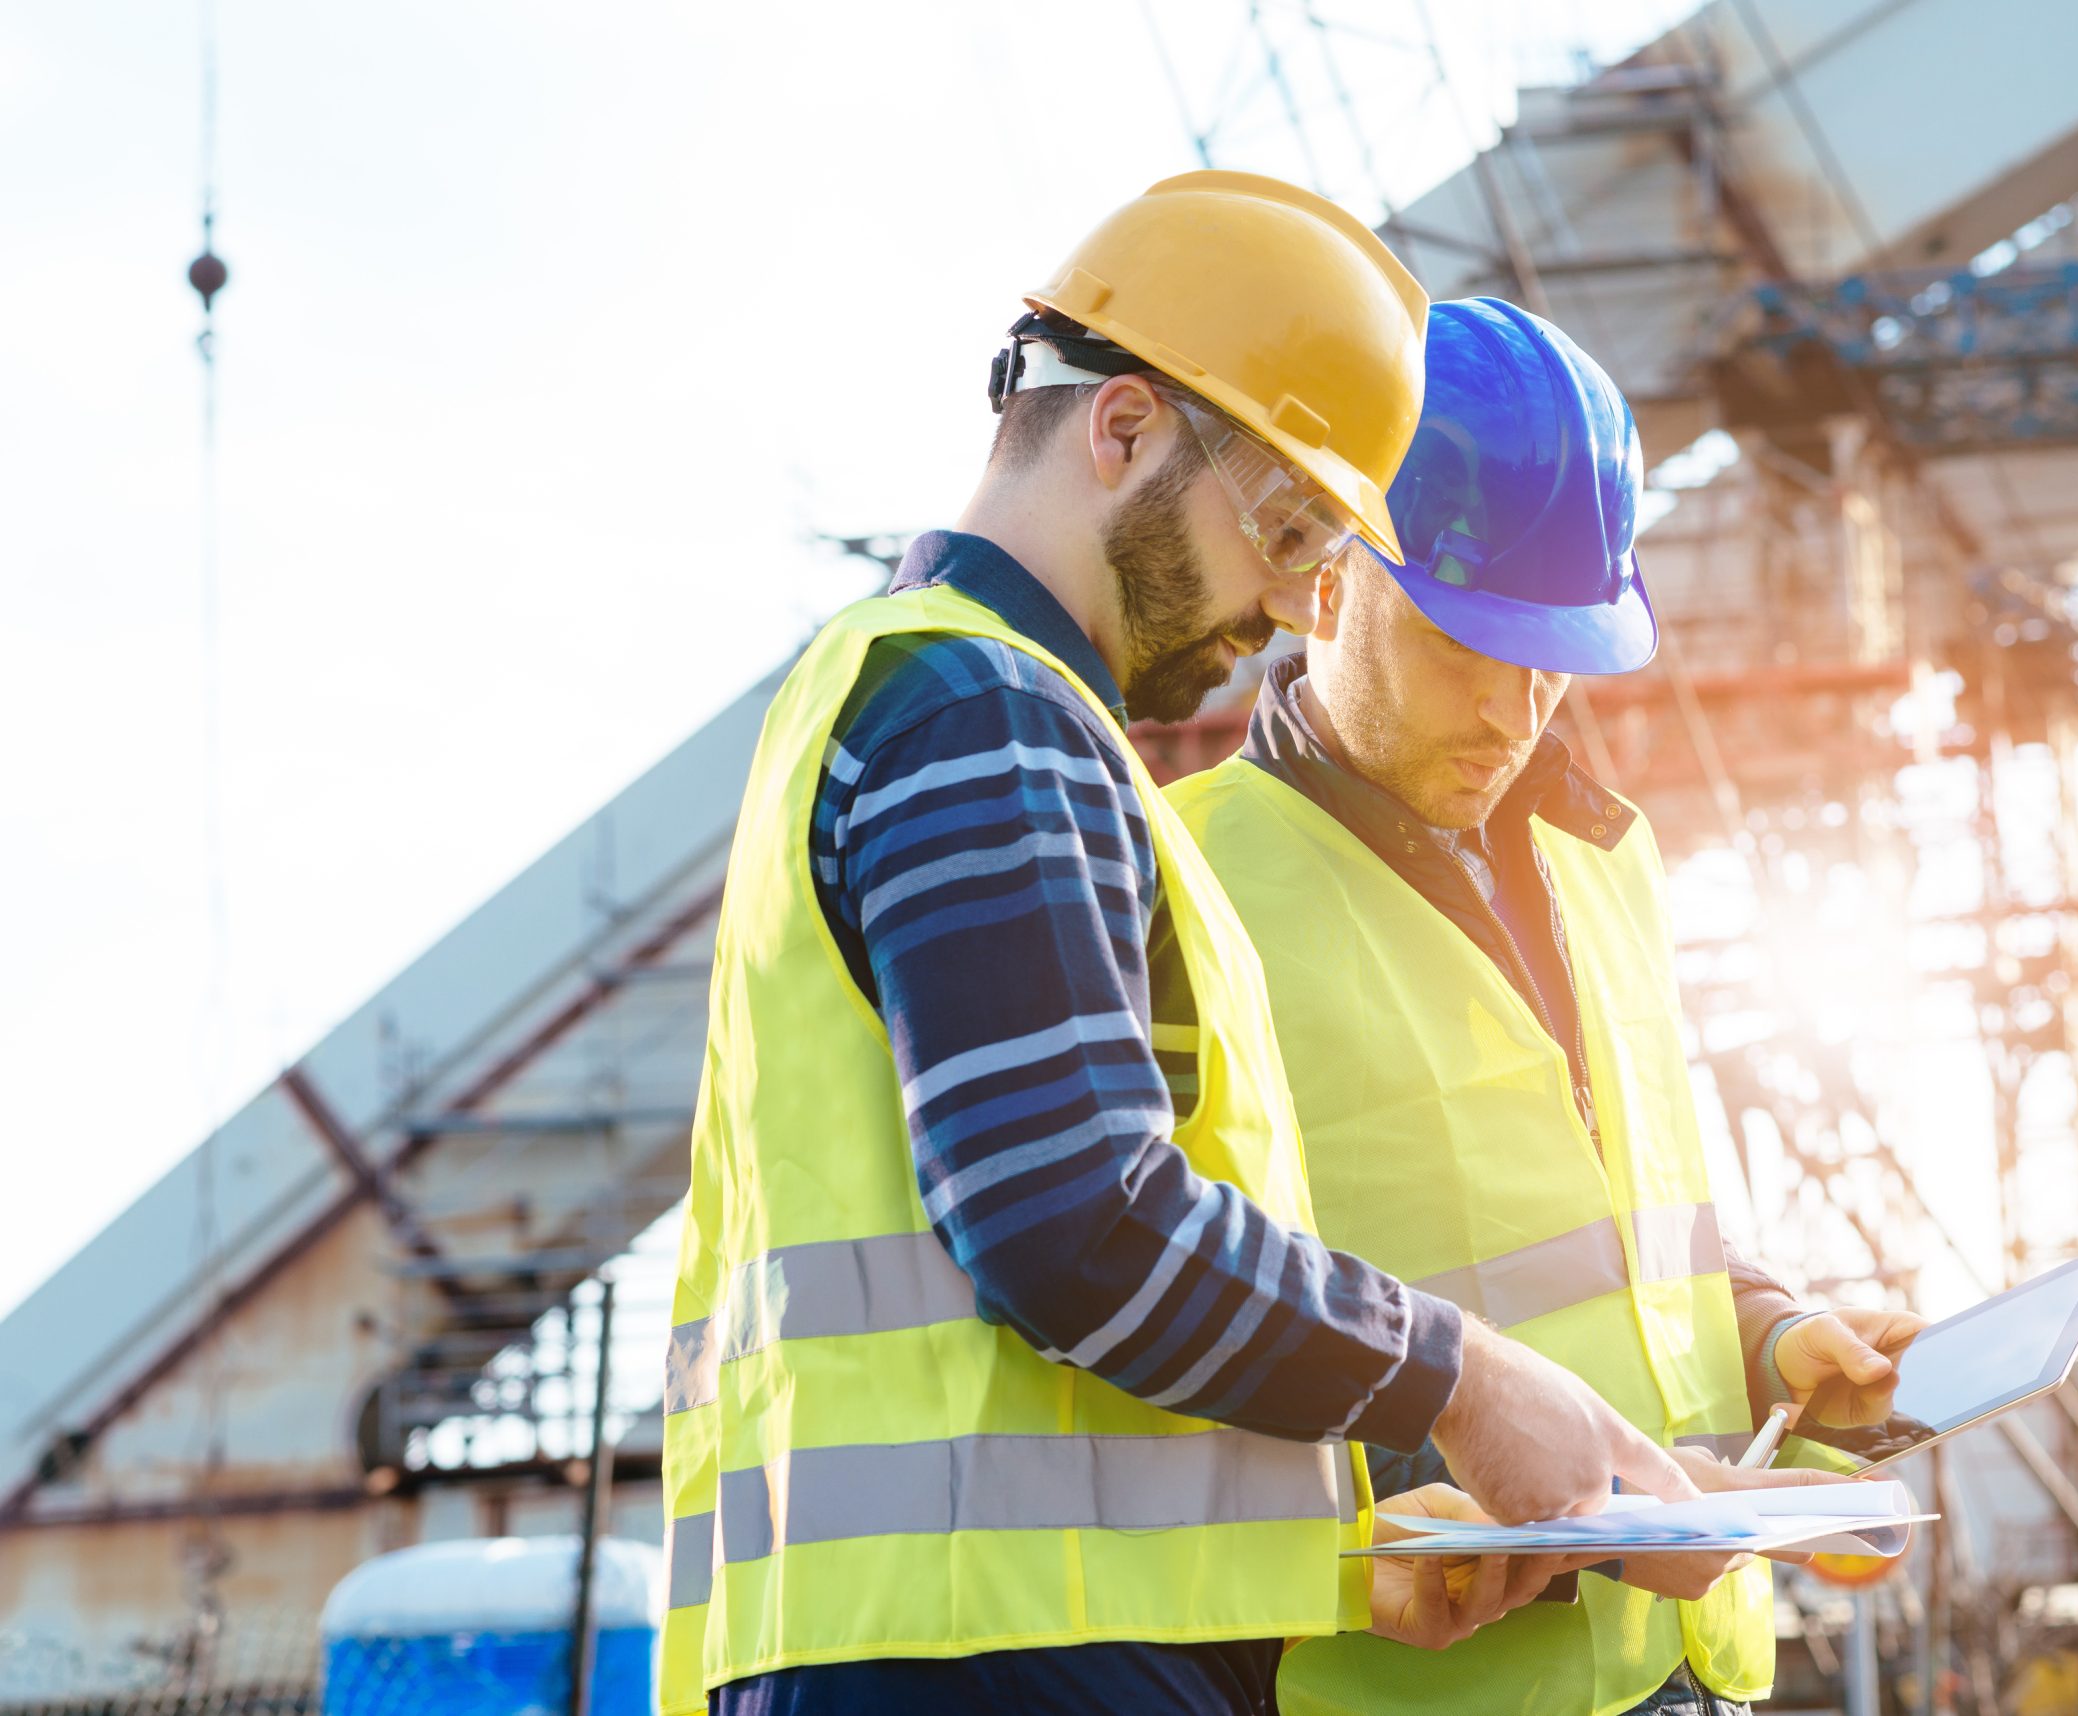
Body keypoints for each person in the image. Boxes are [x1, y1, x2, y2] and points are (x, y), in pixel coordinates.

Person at [655, 177, 1718, 1716]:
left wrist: (1338, 1555)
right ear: (1125, 429)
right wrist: (1458, 1376)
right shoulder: (989, 718)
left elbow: (1030, 1333)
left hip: (965, 1640)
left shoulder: (933, 699)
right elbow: (1072, 1221)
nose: (1292, 603)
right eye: (1284, 527)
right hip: (996, 1665)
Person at [1167, 298, 1926, 1716]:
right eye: (1467, 645)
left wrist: (1772, 1334)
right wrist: (1508, 1494)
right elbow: (1155, 1321)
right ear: (1324, 578)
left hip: (1687, 1674)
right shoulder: (1183, 882)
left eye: (1553, 655)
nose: (1516, 712)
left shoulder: (1607, 859)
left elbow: (1630, 1231)